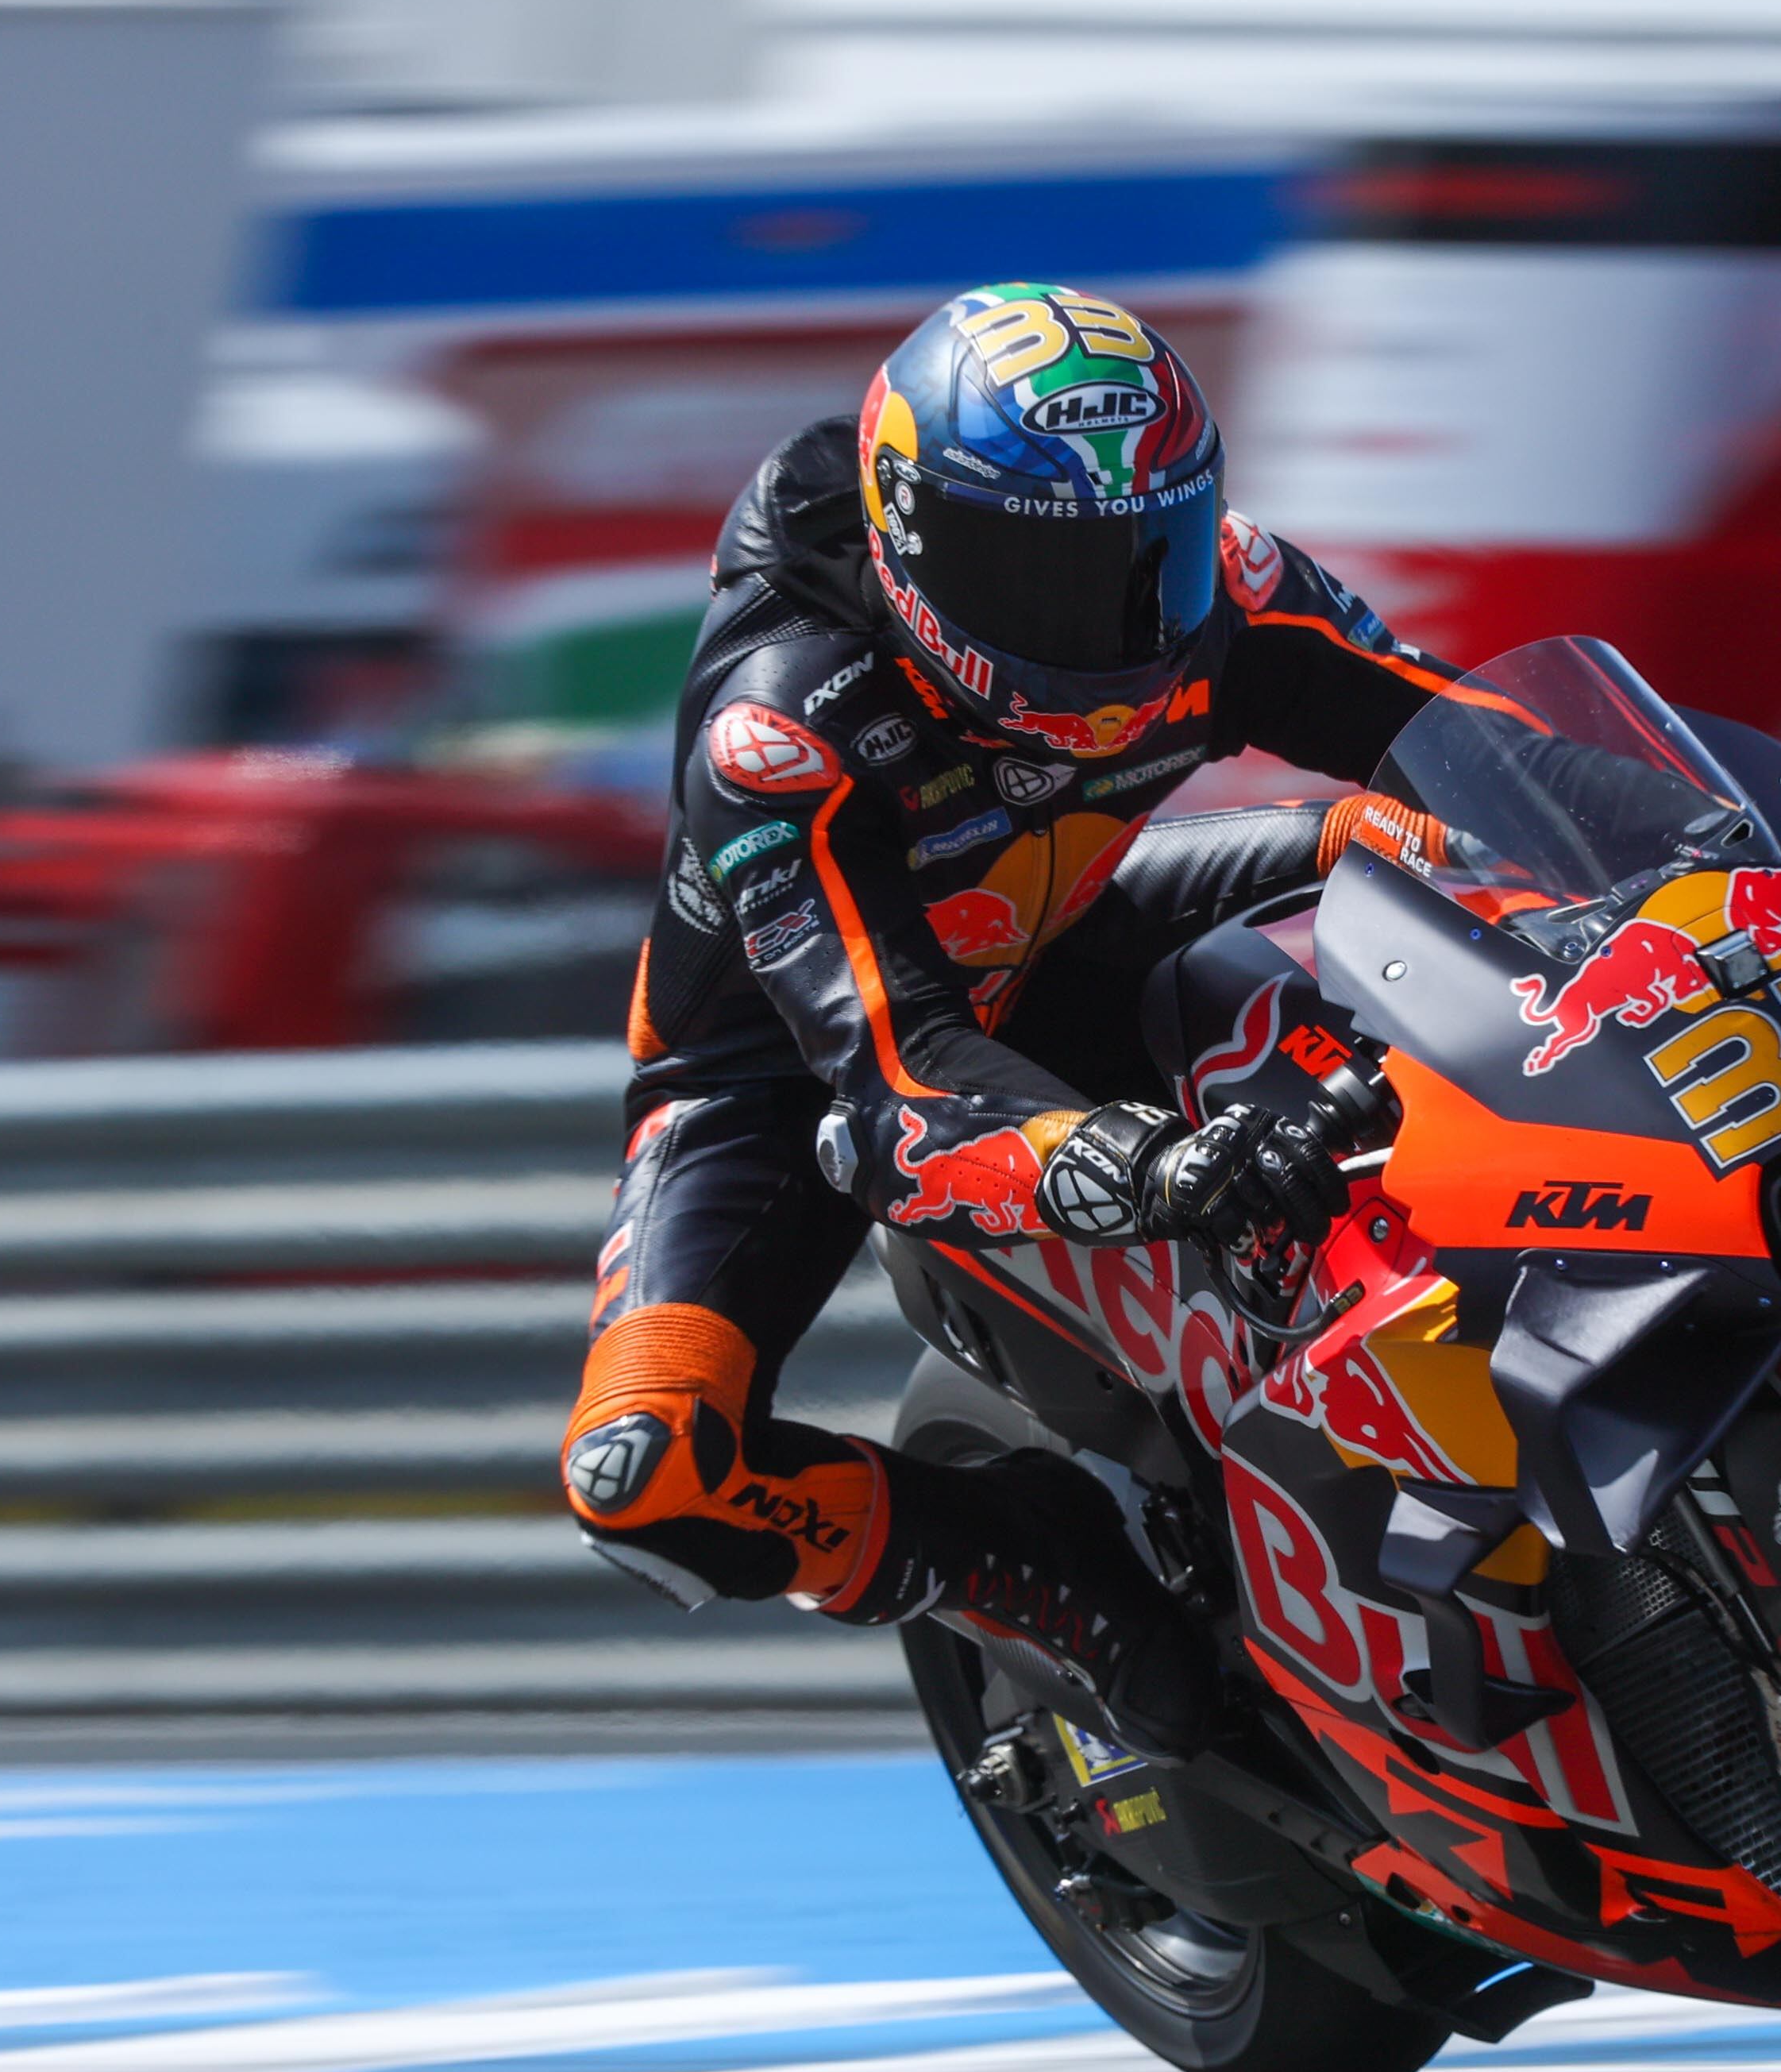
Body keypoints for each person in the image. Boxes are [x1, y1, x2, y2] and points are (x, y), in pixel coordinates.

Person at [557, 283, 1459, 1757]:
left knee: (1419, 841)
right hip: (791, 1074)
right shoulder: (783, 728)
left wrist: (1740, 850)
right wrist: (1144, 1164)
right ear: (911, 538)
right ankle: (1026, 1579)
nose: (1111, 621)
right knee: (645, 1475)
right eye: (1039, 576)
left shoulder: (1233, 593)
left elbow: (1490, 747)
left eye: (1142, 560)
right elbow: (892, 1079)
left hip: (1079, 926)